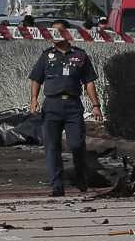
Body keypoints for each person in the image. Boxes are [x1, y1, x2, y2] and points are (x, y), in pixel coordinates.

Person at [28, 21, 102, 197]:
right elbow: (36, 79)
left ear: (67, 34)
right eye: (52, 32)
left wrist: (96, 105)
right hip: (51, 106)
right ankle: (57, 185)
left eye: (58, 31)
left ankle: (81, 178)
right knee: (52, 147)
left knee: (76, 145)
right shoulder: (46, 56)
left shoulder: (80, 55)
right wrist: (33, 100)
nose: (54, 35)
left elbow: (89, 82)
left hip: (72, 106)